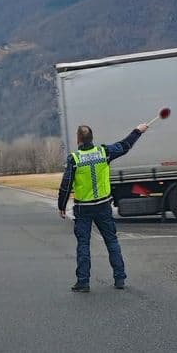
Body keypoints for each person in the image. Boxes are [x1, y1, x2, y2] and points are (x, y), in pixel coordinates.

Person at [58, 123, 149, 292]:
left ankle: (83, 281)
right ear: (92, 138)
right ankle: (120, 278)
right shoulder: (104, 152)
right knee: (111, 241)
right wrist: (137, 131)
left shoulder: (74, 159)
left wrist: (61, 205)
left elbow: (66, 184)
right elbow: (124, 146)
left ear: (78, 139)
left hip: (83, 208)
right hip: (103, 206)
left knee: (83, 244)